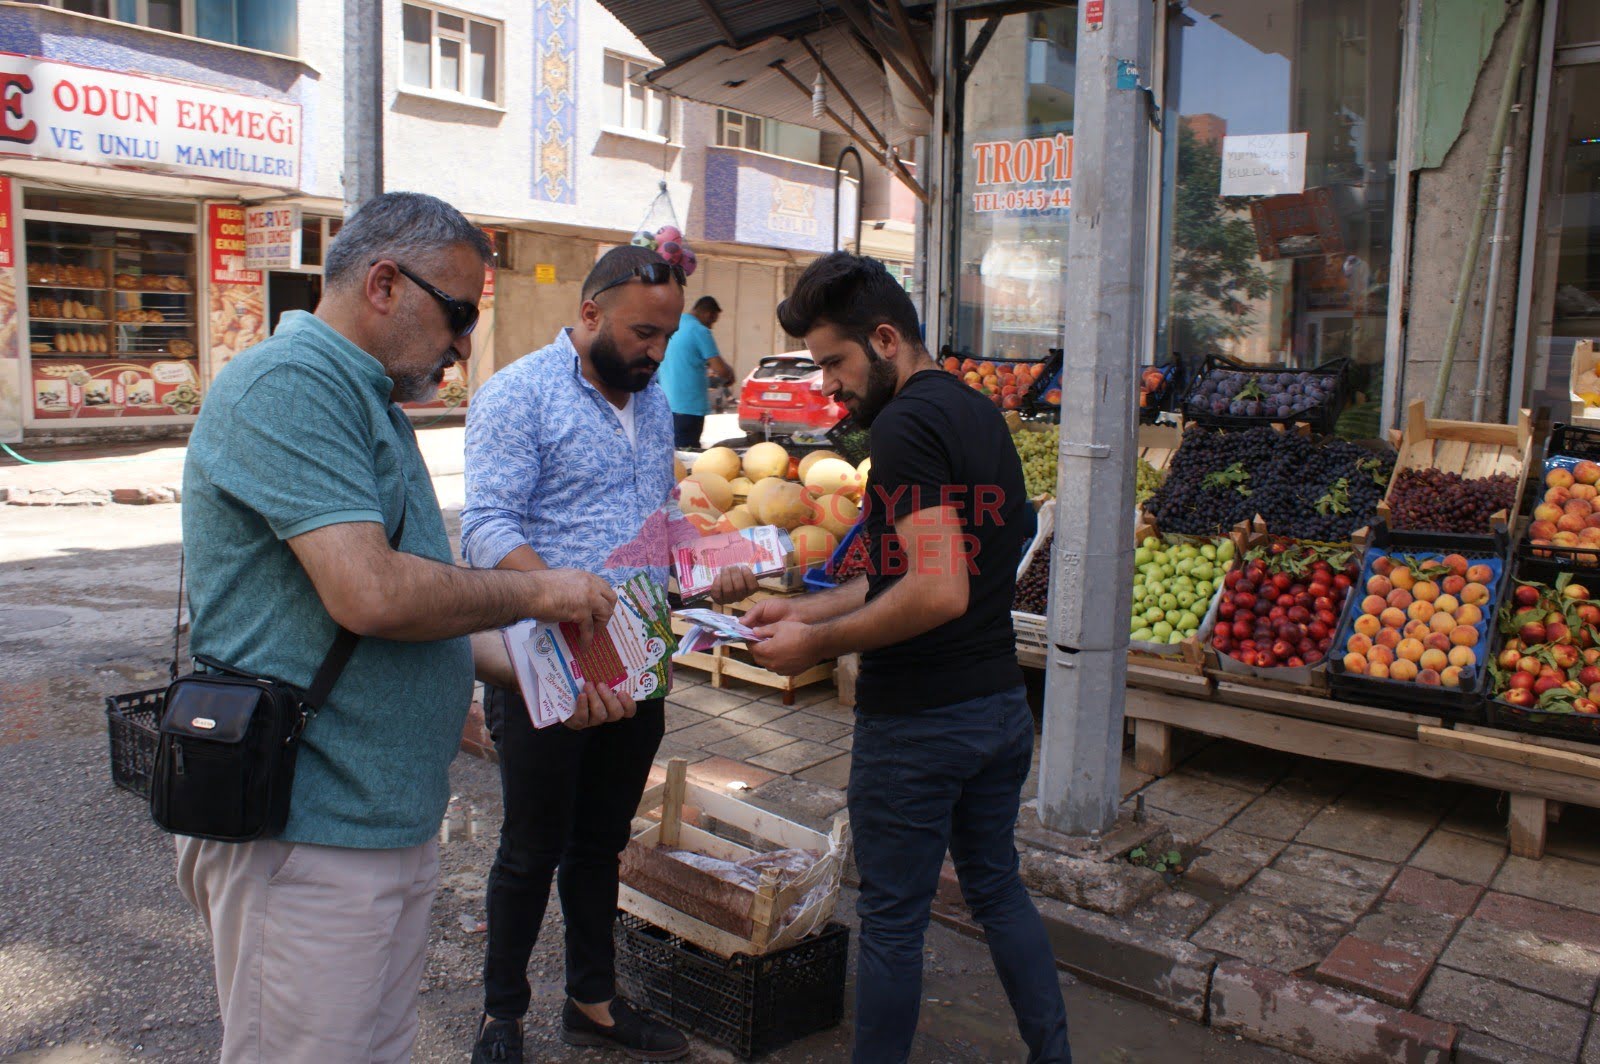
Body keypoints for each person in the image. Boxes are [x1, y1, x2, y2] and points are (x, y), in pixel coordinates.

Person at [177, 191, 632, 1064]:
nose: (465, 343)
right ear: (384, 282)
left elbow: (424, 614)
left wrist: (551, 681)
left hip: (374, 828)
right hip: (308, 835)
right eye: (458, 313)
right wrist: (542, 595)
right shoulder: (290, 384)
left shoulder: (367, 401)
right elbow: (373, 596)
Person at [744, 252, 1072, 1064]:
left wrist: (813, 646)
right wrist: (805, 605)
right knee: (997, 890)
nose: (827, 385)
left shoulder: (903, 428)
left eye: (833, 362)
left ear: (884, 339)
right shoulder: (974, 412)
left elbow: (935, 594)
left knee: (893, 918)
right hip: (997, 709)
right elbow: (910, 573)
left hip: (920, 724)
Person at [462, 246, 755, 1064]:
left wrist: (703, 558)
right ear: (589, 314)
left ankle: (591, 1002)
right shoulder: (517, 395)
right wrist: (555, 592)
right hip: (550, 664)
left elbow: (658, 507)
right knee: (530, 847)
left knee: (600, 844)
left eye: (665, 337)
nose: (656, 353)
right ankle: (502, 1015)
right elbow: (485, 526)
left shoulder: (652, 398)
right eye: (641, 333)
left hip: (640, 661)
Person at [657, 294, 733, 449]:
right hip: (689, 409)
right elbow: (721, 370)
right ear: (708, 314)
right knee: (687, 455)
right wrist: (730, 375)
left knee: (669, 454)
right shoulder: (700, 331)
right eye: (712, 321)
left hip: (665, 405)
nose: (711, 326)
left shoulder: (672, 325)